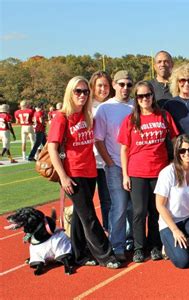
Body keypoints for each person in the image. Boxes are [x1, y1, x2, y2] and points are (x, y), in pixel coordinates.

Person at [48, 76, 120, 269]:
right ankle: (106, 255)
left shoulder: (87, 115)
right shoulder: (61, 117)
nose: (82, 95)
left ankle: (80, 253)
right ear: (70, 93)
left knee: (81, 216)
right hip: (73, 173)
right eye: (77, 91)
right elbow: (52, 149)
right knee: (88, 215)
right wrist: (63, 177)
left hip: (90, 171)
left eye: (85, 91)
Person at [118, 80, 179, 263]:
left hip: (159, 171)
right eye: (140, 96)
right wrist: (125, 175)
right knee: (138, 211)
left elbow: (175, 140)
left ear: (153, 96)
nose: (144, 99)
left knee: (155, 211)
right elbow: (124, 149)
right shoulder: (131, 120)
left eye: (148, 95)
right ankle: (139, 247)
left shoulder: (164, 115)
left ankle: (154, 245)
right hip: (137, 171)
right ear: (136, 99)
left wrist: (173, 162)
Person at [94, 70, 135, 261]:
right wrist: (109, 163)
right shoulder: (105, 108)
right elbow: (99, 140)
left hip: (135, 165)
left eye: (129, 84)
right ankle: (116, 245)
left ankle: (133, 240)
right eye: (121, 84)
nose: (125, 88)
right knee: (118, 207)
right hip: (115, 165)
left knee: (134, 208)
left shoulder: (136, 105)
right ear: (114, 85)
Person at [155, 134, 189, 268]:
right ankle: (169, 245)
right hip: (170, 223)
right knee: (183, 262)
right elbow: (160, 205)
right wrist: (174, 230)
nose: (187, 153)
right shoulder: (168, 173)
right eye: (182, 150)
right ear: (177, 153)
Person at [90, 71, 113, 232]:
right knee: (86, 203)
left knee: (108, 200)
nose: (103, 89)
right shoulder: (86, 104)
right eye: (99, 85)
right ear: (93, 86)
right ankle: (88, 239)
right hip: (89, 161)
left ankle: (109, 232)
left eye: (106, 85)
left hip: (107, 160)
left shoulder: (112, 104)